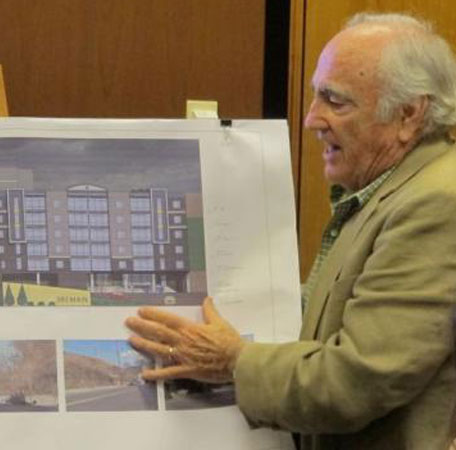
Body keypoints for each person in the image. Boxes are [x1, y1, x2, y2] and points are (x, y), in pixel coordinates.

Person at [125, 12, 456, 450]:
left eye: (335, 102)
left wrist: (234, 362)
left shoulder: (436, 204)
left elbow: (355, 382)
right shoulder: (387, 190)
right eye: (316, 96)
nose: (312, 120)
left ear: (409, 115)